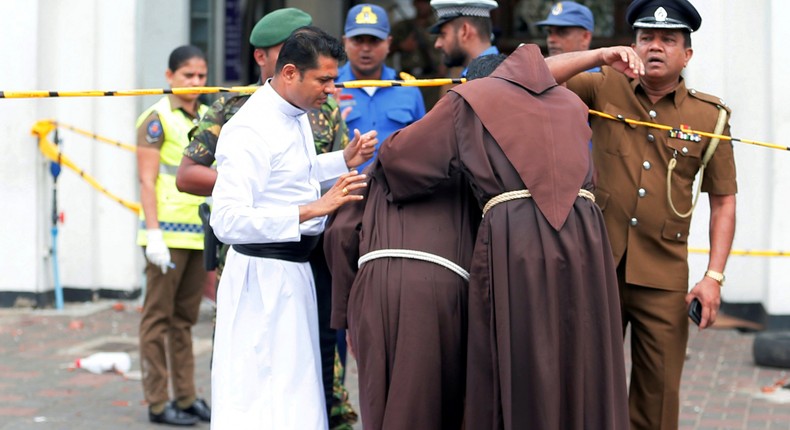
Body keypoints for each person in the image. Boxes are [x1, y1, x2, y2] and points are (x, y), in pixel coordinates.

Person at [373, 44, 636, 429]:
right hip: (587, 238)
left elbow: (399, 158)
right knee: (580, 354)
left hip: (519, 236)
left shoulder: (470, 99)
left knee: (519, 354)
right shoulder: (570, 103)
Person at [545, 0, 737, 428]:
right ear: (632, 44)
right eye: (646, 37)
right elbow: (535, 76)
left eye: (668, 39)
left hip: (664, 279)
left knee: (658, 402)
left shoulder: (710, 117)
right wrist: (598, 55)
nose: (655, 47)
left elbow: (723, 199)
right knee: (585, 389)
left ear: (687, 54)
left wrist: (713, 277)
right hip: (597, 267)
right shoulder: (603, 86)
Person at [174, 10, 358, 428]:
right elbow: (228, 219)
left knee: (295, 391)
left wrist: (341, 161)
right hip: (263, 275)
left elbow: (289, 176)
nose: (332, 91)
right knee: (263, 396)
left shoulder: (290, 113)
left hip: (292, 273)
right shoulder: (251, 127)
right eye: (324, 81)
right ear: (289, 72)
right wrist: (313, 209)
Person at [323, 53, 503, 430]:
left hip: (371, 287)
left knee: (378, 405)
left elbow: (340, 232)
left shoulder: (395, 151)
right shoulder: (490, 167)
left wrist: (346, 315)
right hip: (442, 292)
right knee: (429, 407)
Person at [135, 45, 212, 426]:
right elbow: (147, 180)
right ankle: (156, 401)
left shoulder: (207, 116)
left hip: (198, 234)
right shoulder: (156, 119)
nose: (196, 83)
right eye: (188, 76)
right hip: (166, 236)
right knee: (157, 321)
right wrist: (153, 234)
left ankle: (185, 396)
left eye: (201, 76)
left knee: (184, 320)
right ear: (170, 77)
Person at [337, 3, 426, 172]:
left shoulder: (407, 88)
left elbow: (422, 146)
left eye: (374, 40)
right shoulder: (330, 88)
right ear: (345, 42)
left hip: (396, 192)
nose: (365, 48)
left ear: (388, 43)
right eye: (358, 40)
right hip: (343, 192)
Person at [389, 0, 445, 108]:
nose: (422, 6)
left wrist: (444, 67)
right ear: (414, 3)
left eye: (425, 2)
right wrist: (401, 46)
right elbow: (385, 49)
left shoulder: (438, 25)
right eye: (419, 2)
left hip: (431, 78)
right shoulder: (403, 26)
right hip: (406, 78)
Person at [429, 0, 500, 78]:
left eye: (443, 35)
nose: (437, 44)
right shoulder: (499, 73)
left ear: (465, 31)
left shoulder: (483, 80)